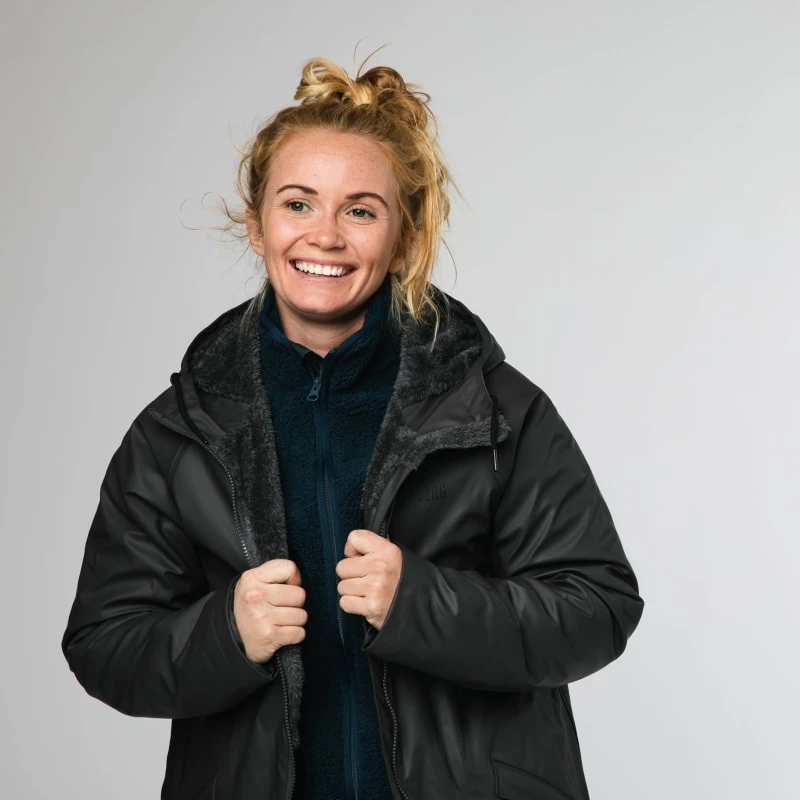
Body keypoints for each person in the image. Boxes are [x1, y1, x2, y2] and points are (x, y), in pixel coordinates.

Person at [62, 56, 644, 800]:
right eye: (298, 204)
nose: (325, 236)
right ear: (256, 225)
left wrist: (421, 604)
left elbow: (598, 607)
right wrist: (226, 634)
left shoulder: (495, 410)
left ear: (403, 238)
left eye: (361, 211)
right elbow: (105, 644)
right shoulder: (179, 431)